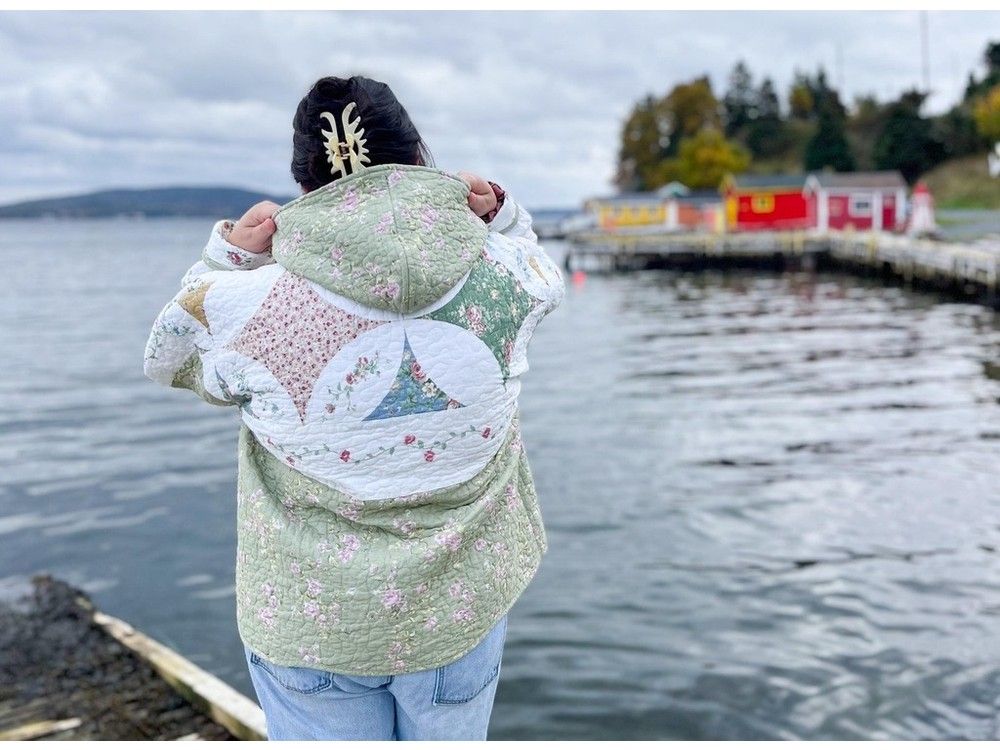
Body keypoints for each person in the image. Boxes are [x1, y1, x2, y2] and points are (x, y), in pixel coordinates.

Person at [142, 74, 565, 740]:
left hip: (308, 626)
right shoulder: (508, 277)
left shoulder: (247, 305)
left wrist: (226, 259)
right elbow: (541, 262)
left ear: (305, 188)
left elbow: (169, 355)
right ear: (420, 163)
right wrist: (502, 215)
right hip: (453, 621)